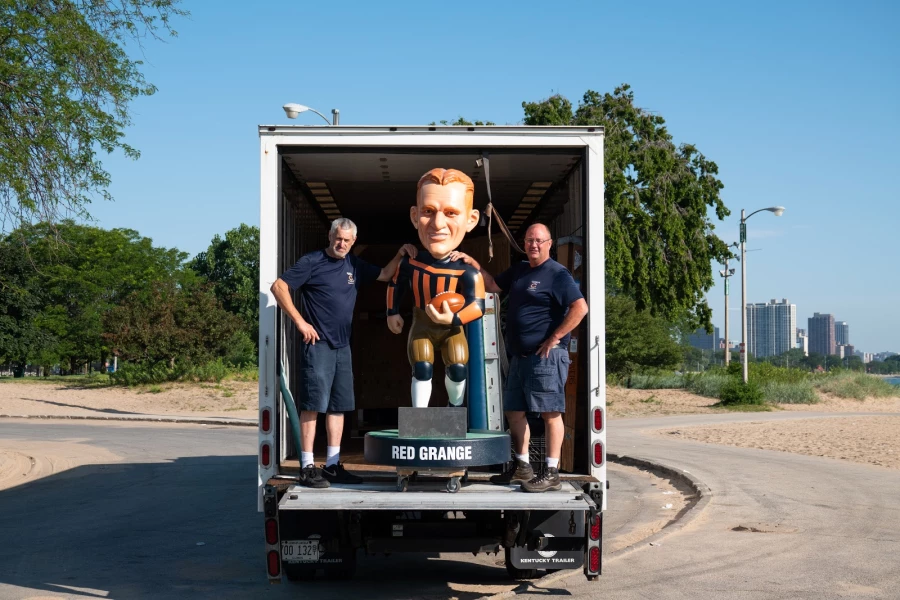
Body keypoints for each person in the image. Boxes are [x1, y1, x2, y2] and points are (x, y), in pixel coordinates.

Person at [271, 218, 416, 488]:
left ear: (353, 241)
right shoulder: (312, 261)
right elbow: (279, 287)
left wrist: (400, 254)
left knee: (338, 407)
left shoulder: (354, 265)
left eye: (347, 240)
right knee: (313, 406)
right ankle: (307, 467)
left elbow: (385, 274)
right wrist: (301, 323)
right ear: (330, 236)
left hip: (342, 347)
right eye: (338, 238)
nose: (342, 244)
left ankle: (333, 465)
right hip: (318, 345)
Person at [451, 223, 588, 492]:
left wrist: (555, 337)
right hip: (520, 357)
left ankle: (552, 472)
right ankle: (523, 466)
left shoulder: (557, 274)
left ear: (549, 244)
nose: (533, 245)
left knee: (550, 413)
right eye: (528, 240)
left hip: (546, 357)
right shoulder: (520, 270)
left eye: (538, 240)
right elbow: (493, 286)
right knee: (514, 411)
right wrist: (473, 263)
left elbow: (580, 307)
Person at [386, 168, 485, 408]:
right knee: (422, 367)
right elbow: (394, 283)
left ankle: (454, 408)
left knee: (458, 368)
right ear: (414, 216)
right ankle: (419, 416)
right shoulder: (410, 262)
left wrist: (454, 318)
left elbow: (478, 306)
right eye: (428, 211)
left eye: (451, 213)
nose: (438, 224)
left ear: (471, 220)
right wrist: (392, 311)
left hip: (453, 328)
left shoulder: (468, 270)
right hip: (422, 322)